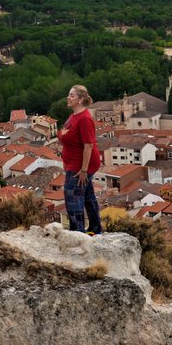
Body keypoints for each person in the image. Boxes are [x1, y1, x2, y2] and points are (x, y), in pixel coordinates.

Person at [58, 85, 102, 234]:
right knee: (87, 196)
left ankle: (77, 233)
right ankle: (95, 229)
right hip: (74, 163)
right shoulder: (73, 116)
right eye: (68, 95)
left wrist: (84, 170)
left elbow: (88, 145)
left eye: (72, 95)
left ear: (81, 99)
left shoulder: (84, 119)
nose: (68, 98)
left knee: (72, 197)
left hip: (81, 166)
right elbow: (67, 135)